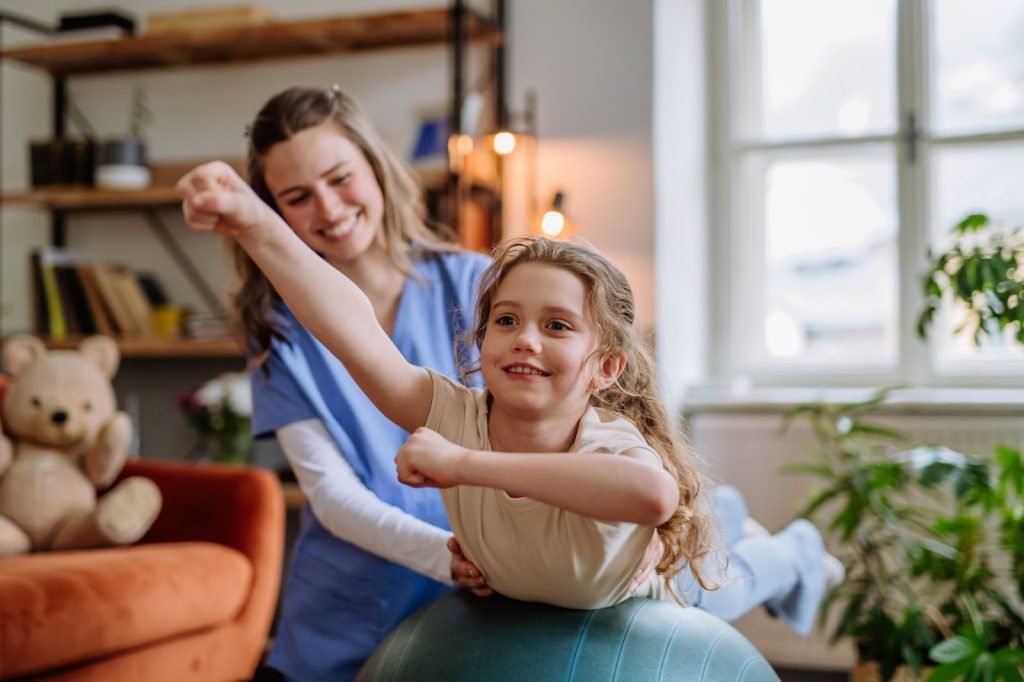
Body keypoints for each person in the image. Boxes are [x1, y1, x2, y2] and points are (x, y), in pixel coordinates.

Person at [176, 123, 840, 641]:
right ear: (482, 338)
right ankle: (732, 521)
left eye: (557, 327)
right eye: (507, 320)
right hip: (541, 593)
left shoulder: (598, 436)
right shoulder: (449, 411)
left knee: (738, 575)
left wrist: (467, 465)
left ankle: (799, 555)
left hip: (653, 596)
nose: (526, 337)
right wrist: (256, 225)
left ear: (606, 366)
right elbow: (353, 330)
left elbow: (652, 491)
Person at [227, 85, 492, 681]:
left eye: (339, 178)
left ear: (375, 168)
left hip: (483, 608)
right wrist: (447, 557)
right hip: (345, 623)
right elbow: (330, 496)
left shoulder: (480, 286)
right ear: (274, 215)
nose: (327, 209)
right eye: (297, 197)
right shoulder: (276, 331)